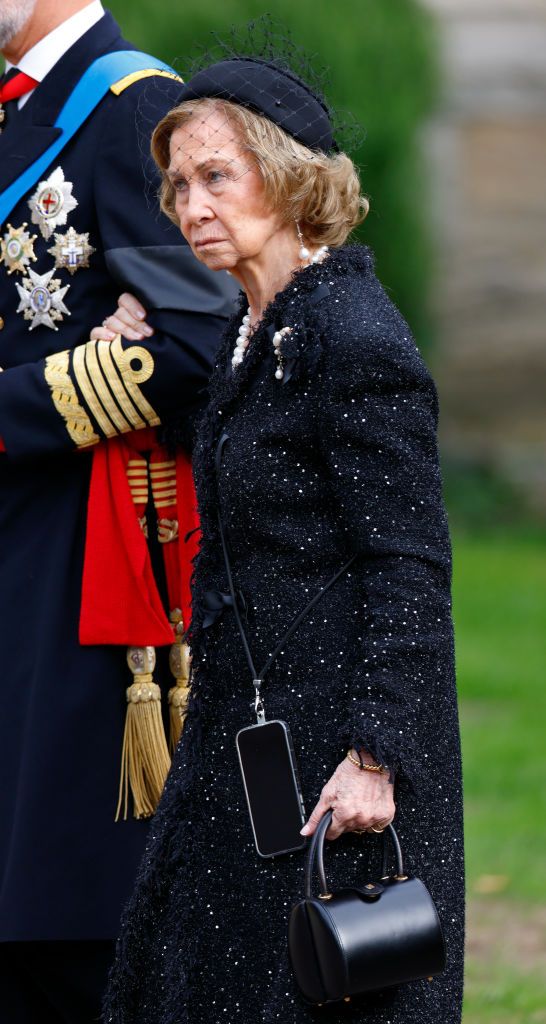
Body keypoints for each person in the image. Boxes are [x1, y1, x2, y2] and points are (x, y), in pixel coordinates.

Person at [98, 54, 465, 1024]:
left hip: (338, 757)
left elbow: (410, 563)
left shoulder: (353, 332)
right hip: (248, 737)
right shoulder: (255, 325)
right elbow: (258, 467)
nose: (190, 204)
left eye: (217, 174)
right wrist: (129, 343)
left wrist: (378, 755)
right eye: (178, 183)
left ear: (288, 170)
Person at [0, 2, 237, 1021]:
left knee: (69, 912)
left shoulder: (134, 104)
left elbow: (192, 339)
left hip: (76, 559)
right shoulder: (20, 106)